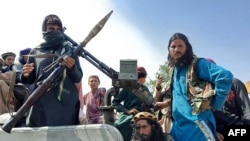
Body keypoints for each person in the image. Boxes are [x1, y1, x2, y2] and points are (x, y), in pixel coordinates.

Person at [164, 33, 233, 141]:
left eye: (180, 46)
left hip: (197, 127)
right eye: (173, 47)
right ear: (168, 49)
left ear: (187, 48)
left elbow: (225, 76)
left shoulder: (197, 64)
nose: (176, 49)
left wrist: (215, 104)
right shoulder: (173, 70)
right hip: (177, 128)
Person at [21, 14, 83, 127]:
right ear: (44, 30)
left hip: (65, 105)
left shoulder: (69, 50)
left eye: (58, 29)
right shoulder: (35, 51)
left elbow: (78, 77)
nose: (55, 31)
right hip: (41, 101)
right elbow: (30, 79)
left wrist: (72, 68)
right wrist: (25, 74)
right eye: (51, 28)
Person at [206, 58, 250, 141]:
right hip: (218, 133)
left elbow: (247, 111)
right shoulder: (203, 91)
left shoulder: (234, 83)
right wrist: (213, 132)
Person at [112, 66, 154, 141]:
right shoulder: (127, 88)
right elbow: (115, 102)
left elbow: (152, 102)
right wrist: (127, 111)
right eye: (138, 76)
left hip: (143, 115)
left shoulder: (145, 89)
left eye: (142, 76)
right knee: (118, 125)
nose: (140, 78)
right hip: (128, 116)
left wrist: (146, 96)